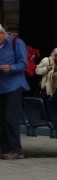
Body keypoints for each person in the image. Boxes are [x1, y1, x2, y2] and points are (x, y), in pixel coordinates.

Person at [0, 24, 30, 160]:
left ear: (2, 33)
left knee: (10, 117)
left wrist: (10, 67)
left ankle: (16, 149)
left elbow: (24, 64)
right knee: (2, 118)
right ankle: (5, 149)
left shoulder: (16, 43)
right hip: (2, 86)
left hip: (13, 86)